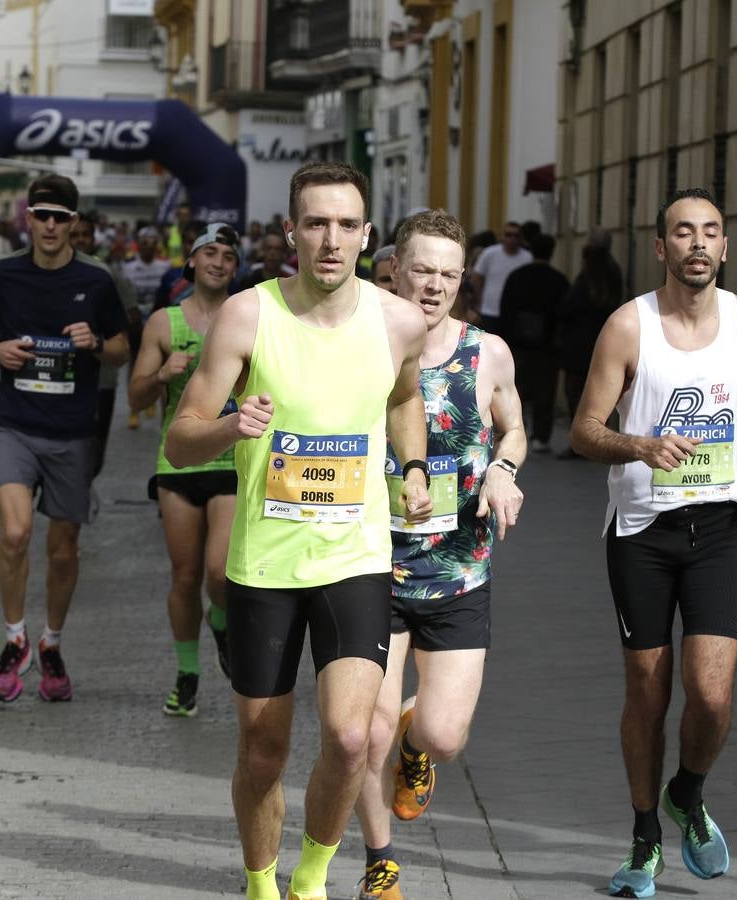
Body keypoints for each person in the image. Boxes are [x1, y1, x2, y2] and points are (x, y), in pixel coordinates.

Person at [164, 161, 432, 900]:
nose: (330, 239)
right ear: (290, 231)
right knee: (262, 750)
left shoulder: (400, 322)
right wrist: (228, 426)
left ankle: (310, 879)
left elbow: (404, 399)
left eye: (346, 225)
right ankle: (260, 884)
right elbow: (179, 441)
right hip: (264, 566)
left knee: (350, 738)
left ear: (366, 235)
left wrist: (413, 468)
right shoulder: (247, 317)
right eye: (315, 223)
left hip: (355, 557)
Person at [570, 187, 737, 898]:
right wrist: (639, 444)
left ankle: (685, 793)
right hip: (641, 532)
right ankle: (641, 836)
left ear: (724, 246)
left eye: (709, 232)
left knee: (712, 696)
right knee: (648, 691)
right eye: (682, 233)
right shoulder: (627, 328)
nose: (697, 243)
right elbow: (583, 430)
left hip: (718, 527)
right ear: (661, 248)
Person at [352, 209, 526, 900]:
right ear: (392, 267)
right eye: (420, 269)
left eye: (448, 274)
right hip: (368, 569)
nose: (432, 285)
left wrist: (504, 469)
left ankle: (416, 742)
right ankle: (379, 864)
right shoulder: (359, 346)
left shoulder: (488, 353)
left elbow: (514, 427)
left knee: (446, 736)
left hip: (458, 571)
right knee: (364, 740)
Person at [0, 174, 130, 703]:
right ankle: (15, 640)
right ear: (27, 218)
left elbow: (124, 348)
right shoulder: (3, 273)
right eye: (42, 215)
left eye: (61, 216)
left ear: (74, 223)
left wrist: (97, 342)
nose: (51, 225)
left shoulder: (96, 282)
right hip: (13, 423)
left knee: (63, 549)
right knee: (14, 534)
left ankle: (51, 643)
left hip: (72, 432)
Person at [128, 223, 242, 718]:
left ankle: (220, 619)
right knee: (184, 575)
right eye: (210, 253)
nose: (219, 262)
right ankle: (187, 673)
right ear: (191, 261)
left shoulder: (248, 317)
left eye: (228, 256)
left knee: (219, 573)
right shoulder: (163, 323)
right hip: (177, 460)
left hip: (231, 459)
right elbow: (133, 396)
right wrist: (160, 375)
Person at [69, 213, 136, 480]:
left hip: (102, 377)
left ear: (94, 238)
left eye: (85, 234)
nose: (80, 240)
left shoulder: (107, 274)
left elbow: (131, 314)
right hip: (65, 376)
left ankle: (82, 486)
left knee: (95, 448)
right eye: (75, 235)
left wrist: (103, 324)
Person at [498, 233, 570, 453]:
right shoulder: (559, 280)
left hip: (518, 344)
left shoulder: (517, 276)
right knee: (545, 391)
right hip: (546, 346)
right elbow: (564, 313)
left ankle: (515, 430)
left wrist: (506, 339)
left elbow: (505, 308)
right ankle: (540, 436)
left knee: (516, 388)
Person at [557, 228, 625, 439]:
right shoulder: (614, 270)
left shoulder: (587, 276)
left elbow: (569, 306)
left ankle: (582, 436)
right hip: (603, 337)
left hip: (580, 341)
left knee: (576, 391)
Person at [120, 226, 172, 429]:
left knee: (162, 365)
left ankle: (152, 400)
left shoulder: (164, 267)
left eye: (152, 243)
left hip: (159, 323)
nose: (149, 247)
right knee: (135, 364)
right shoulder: (129, 268)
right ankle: (134, 408)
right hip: (136, 325)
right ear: (138, 245)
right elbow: (125, 297)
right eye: (144, 243)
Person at [469, 221, 531, 332]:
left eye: (516, 235)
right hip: (489, 311)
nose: (512, 239)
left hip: (515, 313)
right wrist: (478, 302)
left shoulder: (527, 258)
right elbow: (477, 277)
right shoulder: (489, 253)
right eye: (508, 235)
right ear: (502, 236)